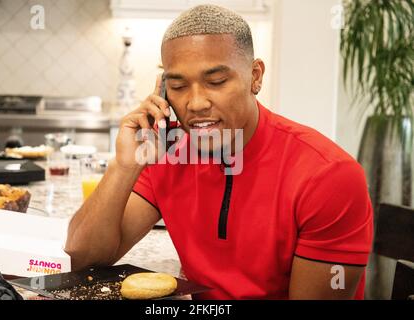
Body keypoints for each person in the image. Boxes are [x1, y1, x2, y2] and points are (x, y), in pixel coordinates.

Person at [65, 4, 373, 300]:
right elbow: (82, 258)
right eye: (179, 85)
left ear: (255, 76)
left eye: (216, 81)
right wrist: (125, 165)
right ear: (162, 91)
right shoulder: (170, 154)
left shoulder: (329, 176)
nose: (196, 103)